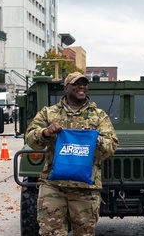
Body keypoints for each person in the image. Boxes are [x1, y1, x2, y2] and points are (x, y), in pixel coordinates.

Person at [25, 71, 119, 236]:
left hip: (85, 189)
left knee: (84, 234)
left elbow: (111, 146)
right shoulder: (49, 113)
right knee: (50, 233)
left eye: (84, 84)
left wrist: (94, 138)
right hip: (53, 186)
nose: (81, 87)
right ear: (66, 88)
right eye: (76, 84)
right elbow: (31, 139)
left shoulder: (98, 116)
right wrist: (46, 132)